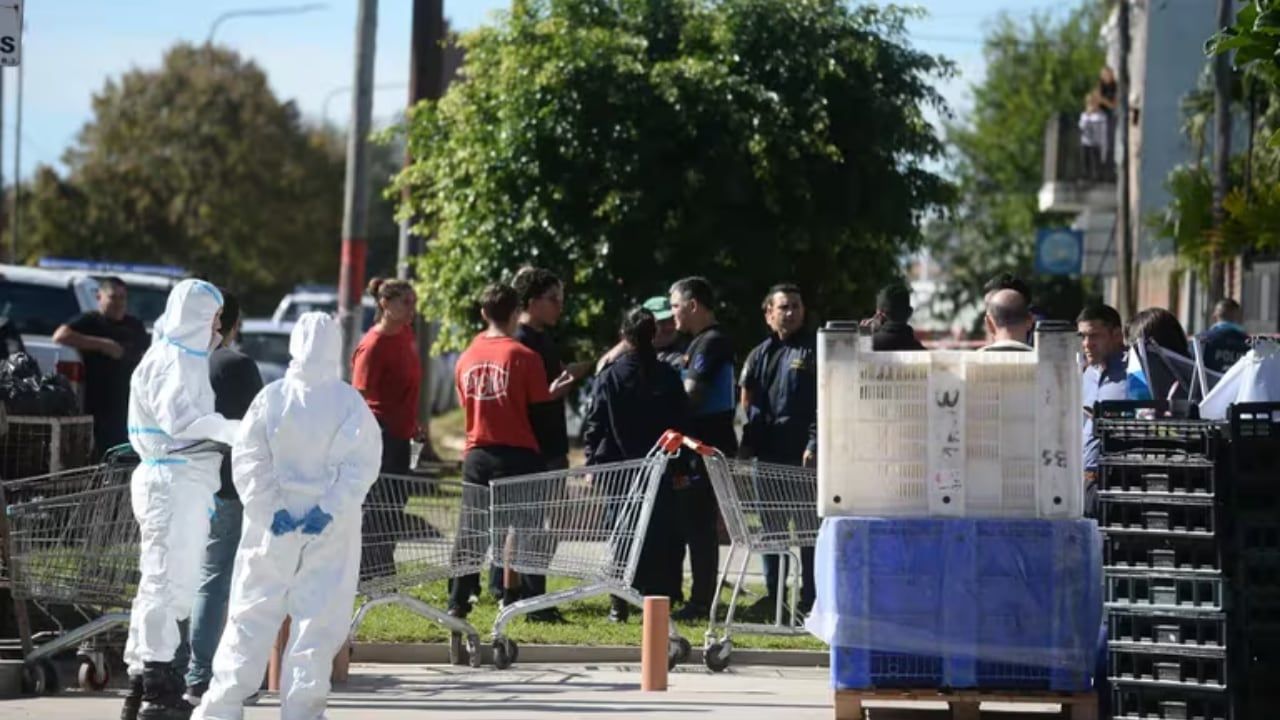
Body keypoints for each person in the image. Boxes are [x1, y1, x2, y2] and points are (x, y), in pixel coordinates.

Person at [191, 313, 382, 720]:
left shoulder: (272, 397)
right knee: (317, 621)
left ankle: (221, 708)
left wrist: (269, 509)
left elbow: (248, 458)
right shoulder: (349, 402)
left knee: (251, 614)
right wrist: (327, 510)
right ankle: (302, 711)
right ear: (336, 346)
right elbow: (360, 466)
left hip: (271, 528)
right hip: (329, 528)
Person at [121, 279, 237, 720]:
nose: (218, 324)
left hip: (176, 480)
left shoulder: (173, 355)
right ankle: (157, 683)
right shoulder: (175, 362)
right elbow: (181, 421)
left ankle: (141, 680)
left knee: (163, 583)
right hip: (176, 481)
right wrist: (233, 430)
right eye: (213, 314)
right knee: (168, 585)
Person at [447, 283, 572, 620]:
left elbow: (467, 402)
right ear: (517, 313)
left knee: (472, 529)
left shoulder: (466, 357)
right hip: (518, 452)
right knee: (526, 531)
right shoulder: (524, 357)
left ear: (484, 313)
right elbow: (537, 407)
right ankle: (524, 599)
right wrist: (553, 392)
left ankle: (458, 599)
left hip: (477, 452)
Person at [182, 291, 264, 707]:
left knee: (186, 575)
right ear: (232, 325)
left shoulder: (180, 363)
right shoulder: (238, 366)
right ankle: (201, 674)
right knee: (217, 580)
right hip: (227, 486)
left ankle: (177, 665)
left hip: (181, 482)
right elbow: (256, 428)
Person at [583, 307, 690, 623]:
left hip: (618, 469)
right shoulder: (668, 377)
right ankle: (655, 601)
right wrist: (681, 468)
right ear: (653, 334)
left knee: (620, 533)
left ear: (623, 336)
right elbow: (681, 426)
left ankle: (619, 602)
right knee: (657, 535)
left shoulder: (610, 376)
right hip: (657, 468)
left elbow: (595, 424)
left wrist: (592, 463)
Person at [738, 284, 818, 619]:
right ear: (769, 313)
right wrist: (746, 447)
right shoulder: (759, 354)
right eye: (784, 307)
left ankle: (810, 599)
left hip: (802, 458)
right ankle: (775, 598)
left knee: (808, 532)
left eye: (796, 306)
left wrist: (814, 442)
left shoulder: (814, 350)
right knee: (770, 532)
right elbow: (748, 400)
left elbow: (823, 402)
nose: (791, 312)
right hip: (766, 458)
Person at [668, 276, 736, 622]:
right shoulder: (696, 343)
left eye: (675, 305)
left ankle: (701, 601)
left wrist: (661, 403)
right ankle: (698, 598)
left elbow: (692, 394)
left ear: (693, 305)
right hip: (697, 449)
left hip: (707, 450)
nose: (672, 314)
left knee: (700, 528)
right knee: (694, 525)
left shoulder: (711, 343)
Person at [351, 278, 423, 581]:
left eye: (413, 303)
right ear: (385, 304)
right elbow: (360, 396)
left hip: (402, 433)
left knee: (396, 504)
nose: (412, 310)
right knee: (379, 505)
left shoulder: (405, 334)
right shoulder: (373, 345)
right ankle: (370, 570)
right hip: (380, 433)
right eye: (405, 303)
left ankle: (383, 568)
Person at [53, 276, 151, 456]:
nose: (119, 303)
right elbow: (60, 336)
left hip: (129, 402)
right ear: (99, 297)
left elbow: (148, 354)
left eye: (123, 298)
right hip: (99, 402)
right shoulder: (91, 321)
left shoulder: (134, 325)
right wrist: (103, 345)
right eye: (113, 297)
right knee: (102, 453)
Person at [1077, 304, 1127, 517]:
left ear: (1117, 335)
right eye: (1083, 336)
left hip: (1116, 483)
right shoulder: (1088, 374)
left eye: (1094, 336)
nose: (1087, 344)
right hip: (1084, 482)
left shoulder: (1135, 374)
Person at [596, 296, 689, 373]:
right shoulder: (634, 355)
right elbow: (602, 367)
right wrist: (629, 340)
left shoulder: (689, 346)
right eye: (662, 322)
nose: (669, 326)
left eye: (671, 320)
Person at [868, 284, 926, 351]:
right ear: (909, 313)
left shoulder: (867, 346)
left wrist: (864, 336)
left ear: (879, 315)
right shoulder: (920, 351)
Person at [1199, 298, 1250, 373]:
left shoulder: (1200, 341)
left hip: (1210, 384)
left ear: (1214, 317)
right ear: (1240, 318)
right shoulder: (1252, 345)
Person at [1079, 91, 1108, 182]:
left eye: (1093, 103)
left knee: (1096, 162)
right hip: (1086, 142)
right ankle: (1085, 176)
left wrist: (1104, 148)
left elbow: (1103, 133)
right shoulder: (1084, 115)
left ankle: (1096, 177)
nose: (1091, 105)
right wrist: (1088, 115)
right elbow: (1081, 126)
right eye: (1089, 103)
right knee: (1085, 161)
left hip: (1096, 144)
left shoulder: (1101, 116)